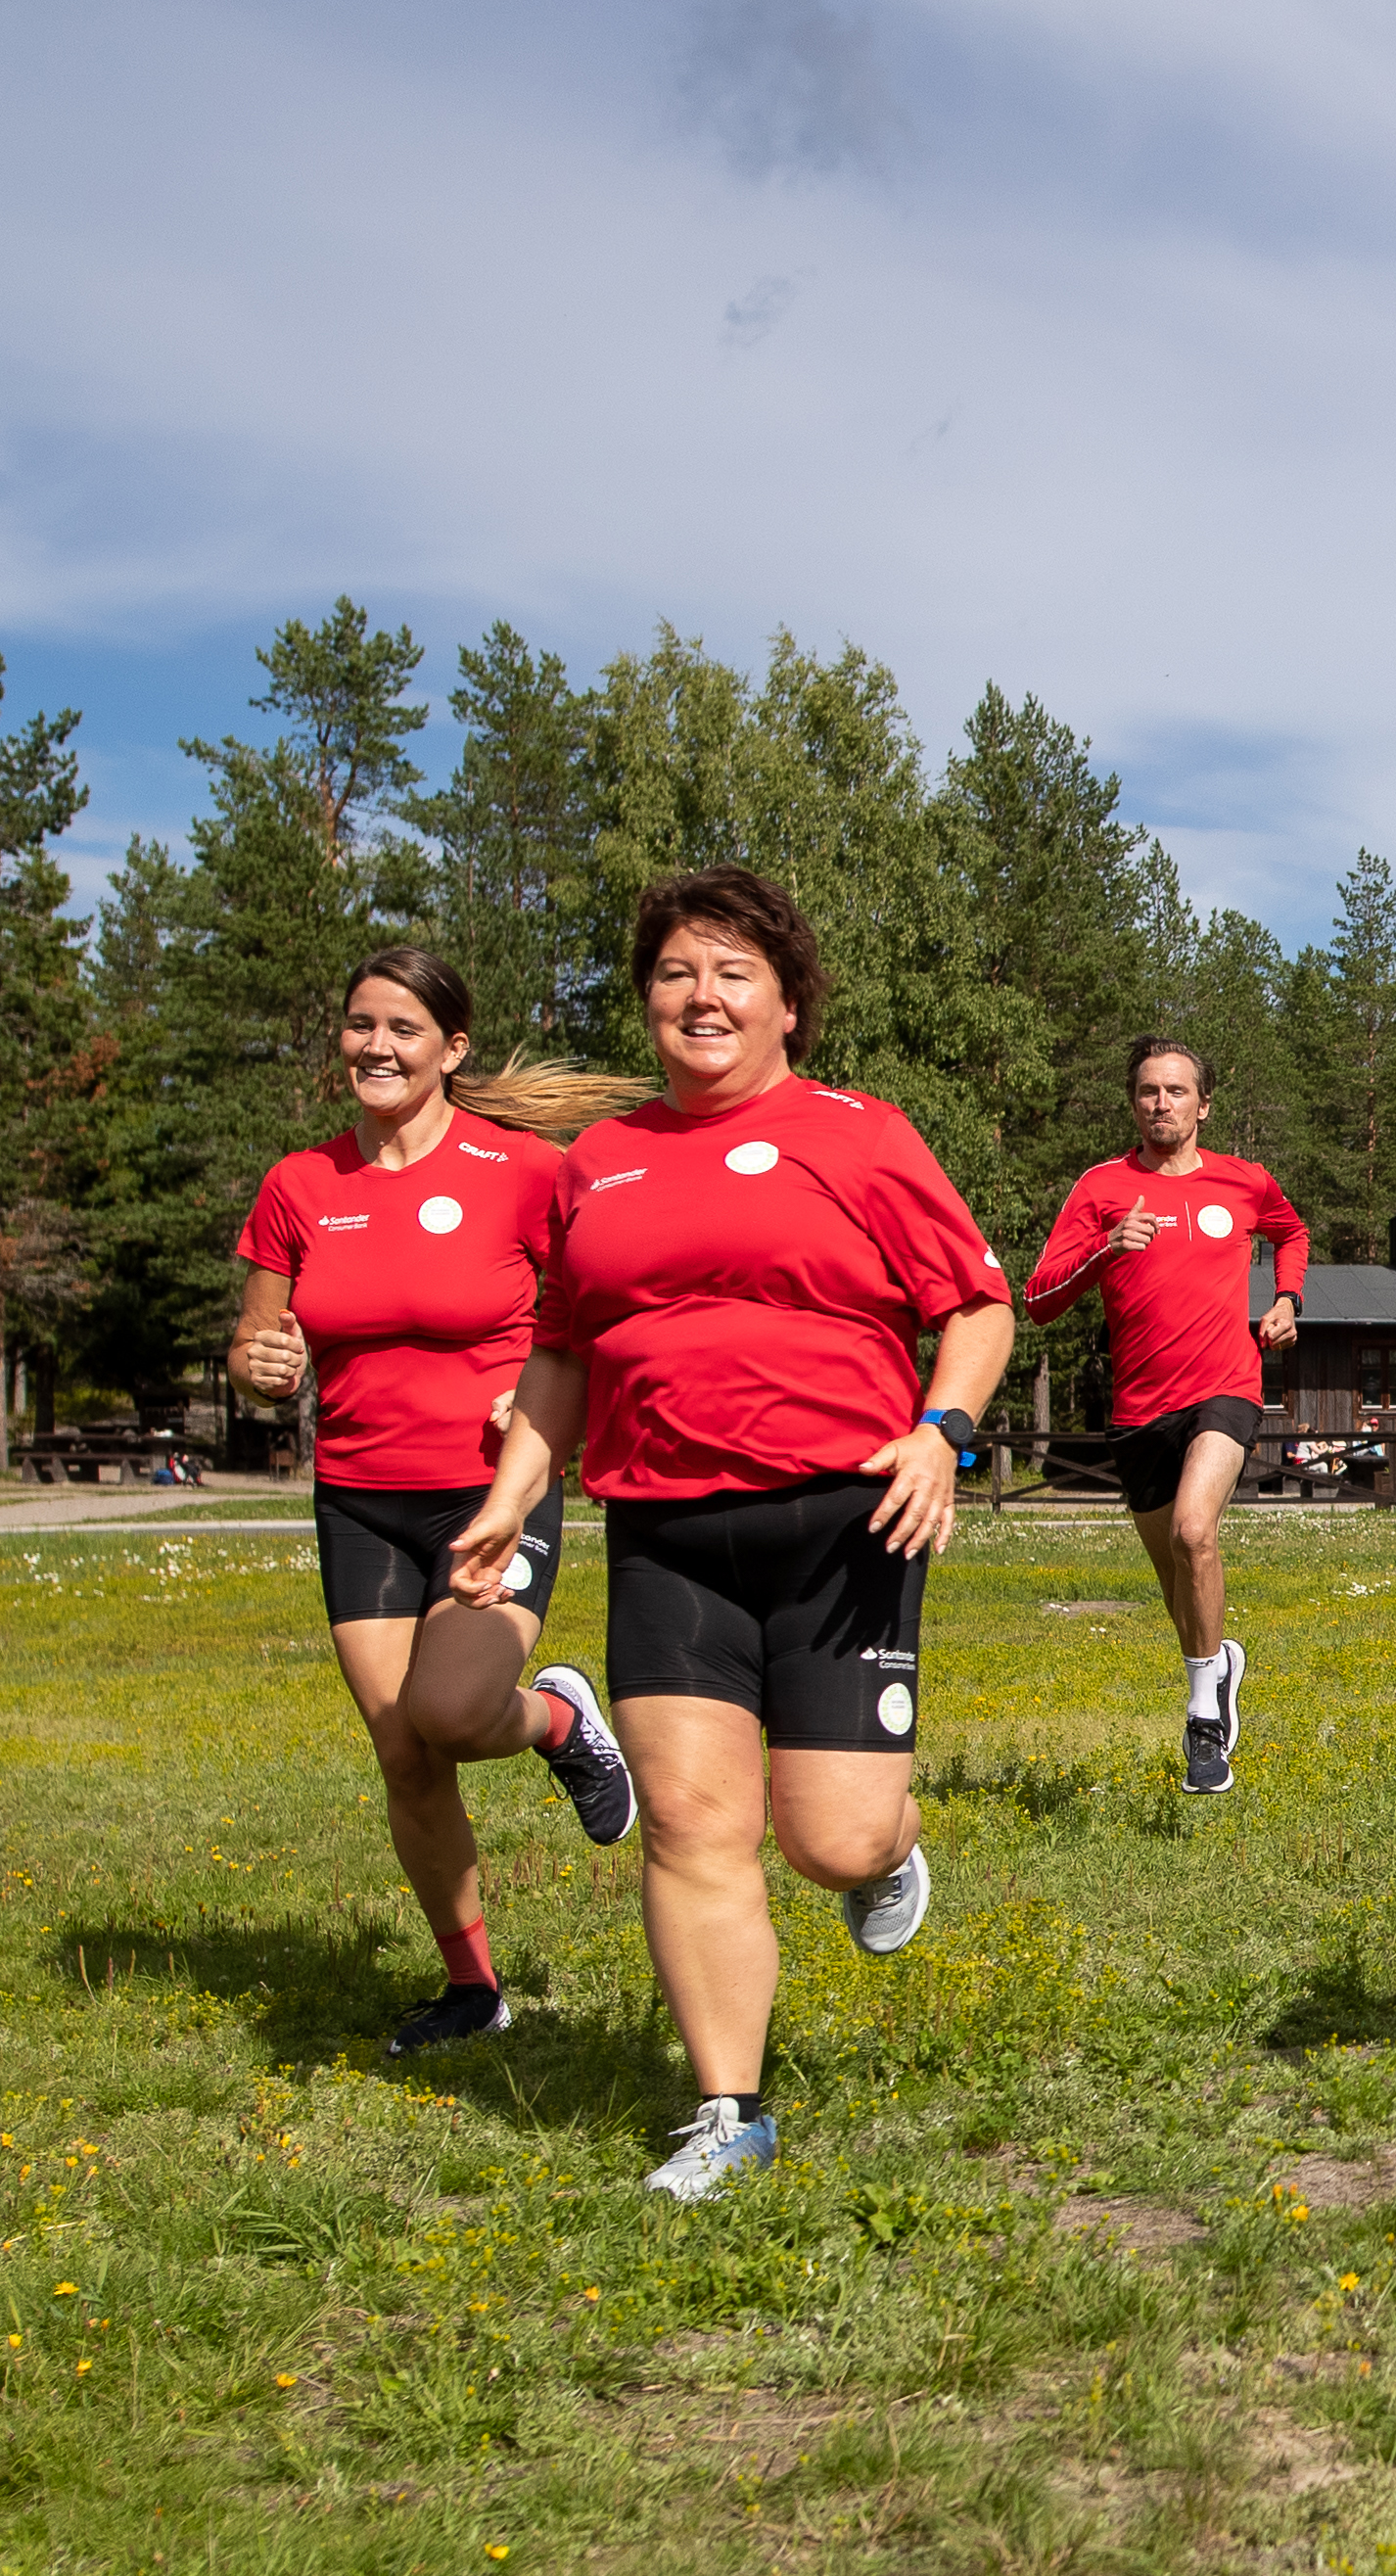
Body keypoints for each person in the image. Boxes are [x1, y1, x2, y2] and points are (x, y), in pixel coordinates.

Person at [448, 866, 1014, 2203]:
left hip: (844, 1519)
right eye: (674, 973)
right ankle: (728, 2110)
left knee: (827, 1838)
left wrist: (944, 1428)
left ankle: (888, 1839)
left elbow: (977, 1304)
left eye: (732, 972)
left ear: (788, 1006)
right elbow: (564, 1349)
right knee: (695, 1823)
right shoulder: (600, 1162)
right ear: (646, 999)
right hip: (666, 1531)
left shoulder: (861, 1132)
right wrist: (512, 1492)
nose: (700, 996)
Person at [230, 948, 646, 2057]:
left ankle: (558, 1720)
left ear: (451, 1049)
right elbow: (256, 1335)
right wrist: (259, 1364)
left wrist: (539, 1397)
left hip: (489, 1489)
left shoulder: (520, 1171)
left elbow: (597, 1314)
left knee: (455, 1714)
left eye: (403, 1028)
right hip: (358, 1496)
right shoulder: (299, 1184)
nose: (377, 1046)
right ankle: (473, 1985)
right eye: (361, 1024)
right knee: (403, 1750)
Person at [1020, 1038, 1307, 1797]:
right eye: (1148, 1091)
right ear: (1133, 1102)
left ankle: (1203, 1715)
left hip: (1225, 1385)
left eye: (1177, 1091)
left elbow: (1293, 1232)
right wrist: (1107, 1247)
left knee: (1193, 1531)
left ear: (1203, 1104)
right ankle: (1220, 1664)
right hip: (1139, 1408)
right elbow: (1040, 1298)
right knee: (1177, 1585)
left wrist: (1287, 1299)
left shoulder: (1244, 1182)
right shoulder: (1101, 1188)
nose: (1162, 1103)